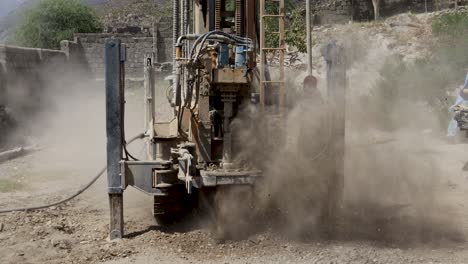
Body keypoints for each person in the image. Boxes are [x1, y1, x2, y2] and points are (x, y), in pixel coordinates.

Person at [447, 73, 468, 138]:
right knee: (457, 117)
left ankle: (451, 135)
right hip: (464, 100)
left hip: (464, 100)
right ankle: (451, 135)